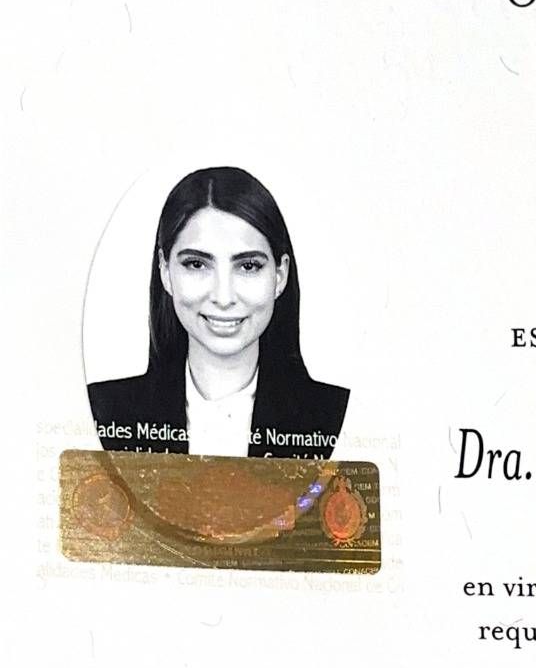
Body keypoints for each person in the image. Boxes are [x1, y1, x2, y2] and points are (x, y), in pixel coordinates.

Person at [88, 167, 349, 458]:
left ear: (280, 275)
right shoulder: (103, 412)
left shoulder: (336, 416)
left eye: (248, 266)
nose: (223, 298)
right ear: (164, 270)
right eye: (196, 264)